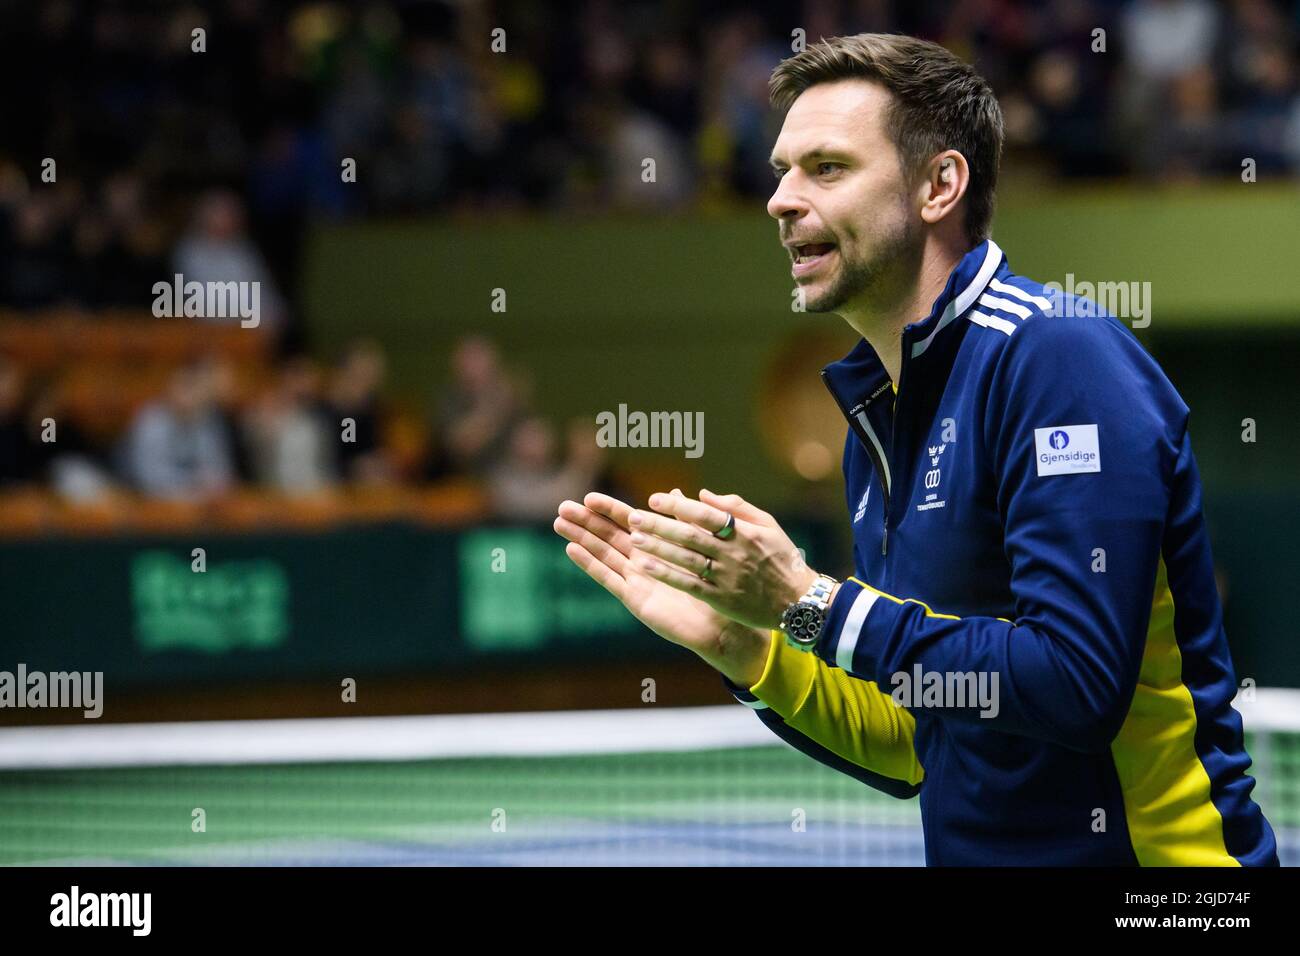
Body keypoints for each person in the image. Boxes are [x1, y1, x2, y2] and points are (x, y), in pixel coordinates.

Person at [553, 33, 1277, 867]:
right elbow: (917, 743)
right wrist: (747, 646)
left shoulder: (1059, 359)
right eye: (782, 169)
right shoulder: (880, 413)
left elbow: (1076, 685)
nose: (779, 200)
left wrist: (811, 601)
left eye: (825, 168)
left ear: (939, 185)